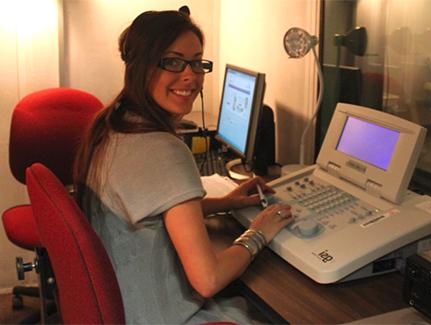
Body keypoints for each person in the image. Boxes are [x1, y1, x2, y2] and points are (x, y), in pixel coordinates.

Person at [73, 7, 293, 324]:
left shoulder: (113, 126)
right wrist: (259, 232)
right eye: (173, 61)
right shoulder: (163, 150)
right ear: (141, 67)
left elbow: (150, 211)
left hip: (124, 307)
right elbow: (208, 279)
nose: (190, 75)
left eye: (197, 62)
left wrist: (224, 203)